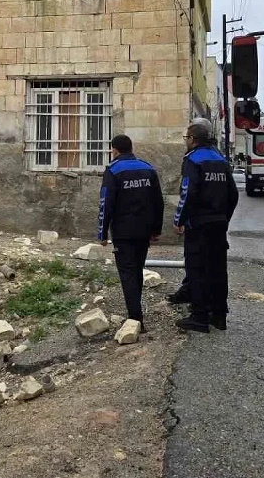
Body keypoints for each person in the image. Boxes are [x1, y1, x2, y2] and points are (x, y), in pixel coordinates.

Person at [173, 118, 238, 333]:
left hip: (199, 224)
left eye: (186, 138)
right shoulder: (220, 160)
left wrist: (179, 220)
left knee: (197, 269)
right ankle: (219, 316)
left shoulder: (192, 160)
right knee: (218, 270)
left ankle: (199, 317)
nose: (186, 141)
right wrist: (224, 218)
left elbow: (187, 193)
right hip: (218, 224)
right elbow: (233, 194)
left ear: (192, 139)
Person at [97, 134, 164, 331]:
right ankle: (136, 312)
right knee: (137, 270)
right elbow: (158, 202)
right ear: (131, 148)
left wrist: (102, 233)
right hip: (144, 231)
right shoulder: (148, 168)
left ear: (114, 150)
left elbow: (106, 204)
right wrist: (156, 229)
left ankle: (136, 318)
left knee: (127, 273)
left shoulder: (113, 170)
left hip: (123, 232)